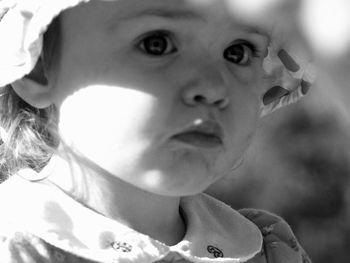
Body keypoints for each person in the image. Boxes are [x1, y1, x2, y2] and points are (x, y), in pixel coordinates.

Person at [0, 0, 314, 262]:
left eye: (238, 52)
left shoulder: (268, 248)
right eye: (157, 44)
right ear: (37, 66)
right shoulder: (17, 247)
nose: (213, 87)